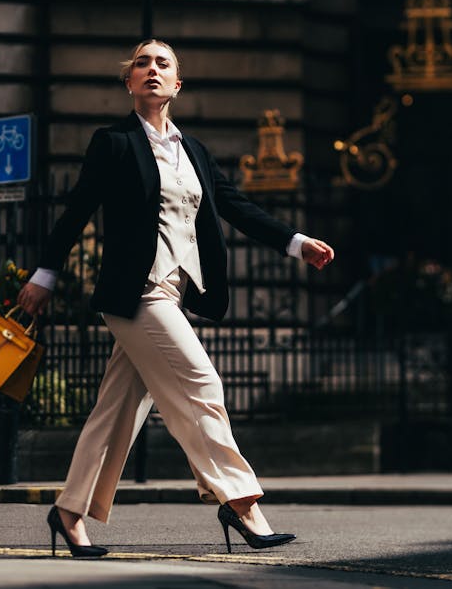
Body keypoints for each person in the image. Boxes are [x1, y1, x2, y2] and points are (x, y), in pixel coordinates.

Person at [18, 39, 334, 558]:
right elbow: (75, 210)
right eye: (141, 63)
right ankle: (240, 501)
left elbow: (236, 207)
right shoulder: (113, 142)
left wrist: (296, 244)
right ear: (129, 82)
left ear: (177, 84)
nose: (151, 70)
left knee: (116, 411)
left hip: (176, 289)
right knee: (202, 380)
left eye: (162, 64)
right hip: (137, 292)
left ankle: (69, 513)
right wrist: (45, 274)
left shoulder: (195, 152)